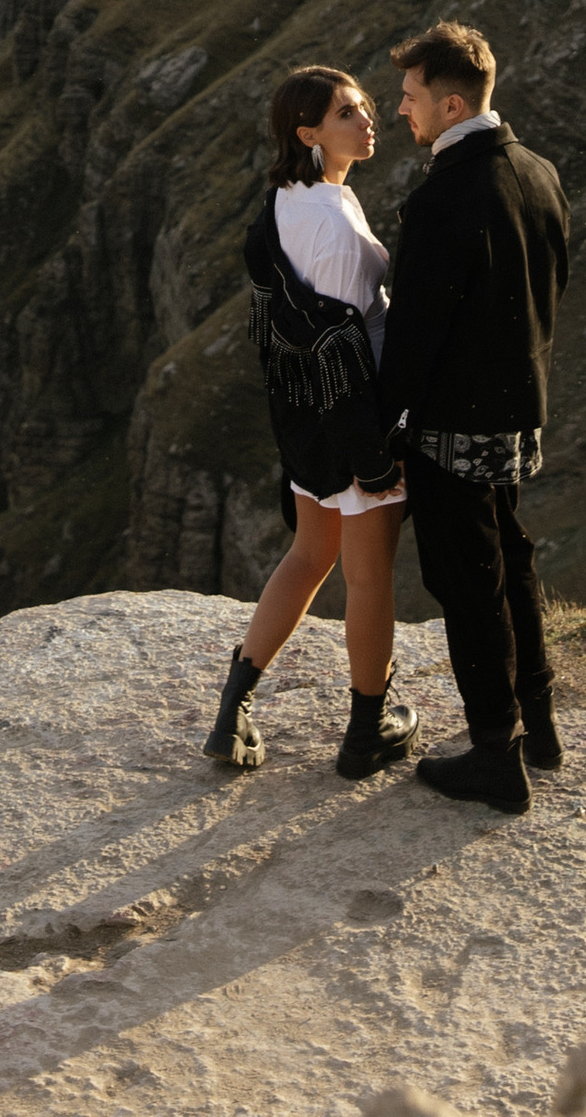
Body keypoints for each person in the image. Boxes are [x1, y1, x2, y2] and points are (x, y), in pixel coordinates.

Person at [203, 64, 421, 782]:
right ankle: (368, 729)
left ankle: (233, 704)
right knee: (368, 578)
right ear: (308, 134)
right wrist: (373, 456)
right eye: (346, 114)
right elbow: (343, 350)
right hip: (352, 420)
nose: (367, 122)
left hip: (301, 418)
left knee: (309, 555)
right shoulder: (328, 221)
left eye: (363, 108)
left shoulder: (291, 200)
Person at [378, 18, 571, 818]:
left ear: (453, 104)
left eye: (411, 96)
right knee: (513, 562)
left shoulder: (444, 200)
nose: (400, 110)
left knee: (469, 582)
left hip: (454, 422)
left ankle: (497, 753)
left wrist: (378, 425)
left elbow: (415, 333)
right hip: (520, 411)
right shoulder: (539, 173)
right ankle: (542, 726)